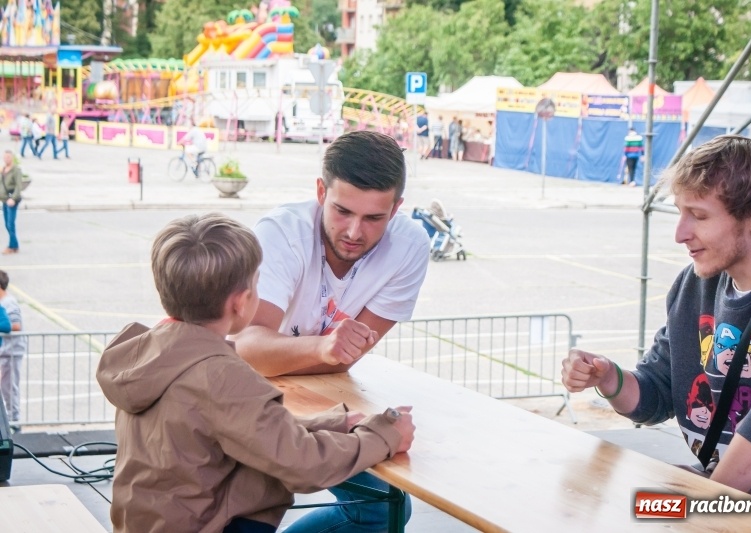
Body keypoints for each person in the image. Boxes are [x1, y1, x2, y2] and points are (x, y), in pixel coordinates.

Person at [96, 213, 416, 533]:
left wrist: (332, 422)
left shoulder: (151, 355)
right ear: (241, 302)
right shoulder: (221, 377)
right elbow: (304, 465)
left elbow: (237, 427)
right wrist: (386, 435)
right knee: (381, 508)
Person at [562, 135, 751, 509]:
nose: (680, 234)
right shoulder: (695, 282)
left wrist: (700, 510)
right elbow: (657, 392)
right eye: (679, 213)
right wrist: (608, 378)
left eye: (700, 216)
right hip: (728, 493)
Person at [235, 130, 430, 531]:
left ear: (396, 210)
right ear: (321, 191)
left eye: (374, 218)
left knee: (383, 508)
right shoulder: (281, 232)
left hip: (316, 398)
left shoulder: (410, 245)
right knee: (247, 508)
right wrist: (323, 348)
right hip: (243, 399)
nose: (355, 232)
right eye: (343, 211)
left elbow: (347, 356)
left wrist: (309, 354)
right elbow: (246, 350)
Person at [0, 270, 25, 431]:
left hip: (13, 351)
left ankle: (14, 422)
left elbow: (16, 325)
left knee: (10, 387)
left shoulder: (9, 302)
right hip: (7, 351)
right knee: (5, 386)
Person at [0, 150, 23, 254]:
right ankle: (15, 245)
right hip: (4, 199)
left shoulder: (16, 170)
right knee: (6, 224)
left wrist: (13, 198)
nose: (6, 159)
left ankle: (12, 246)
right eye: (5, 157)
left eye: (8, 157)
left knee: (10, 224)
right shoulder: (3, 169)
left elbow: (19, 186)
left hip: (11, 200)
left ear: (12, 158)